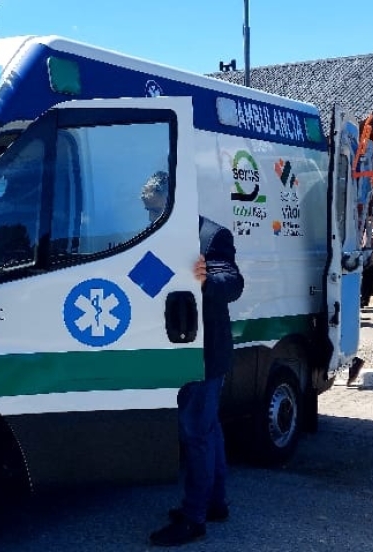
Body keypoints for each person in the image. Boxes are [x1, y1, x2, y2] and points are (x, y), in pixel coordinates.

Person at [145, 177, 245, 548]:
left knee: (196, 433)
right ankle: (215, 503)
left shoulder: (211, 235)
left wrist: (206, 280)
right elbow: (150, 282)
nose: (150, 213)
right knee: (208, 430)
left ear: (173, 199)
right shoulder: (156, 235)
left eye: (154, 205)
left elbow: (232, 282)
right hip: (175, 348)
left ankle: (194, 518)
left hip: (203, 352)